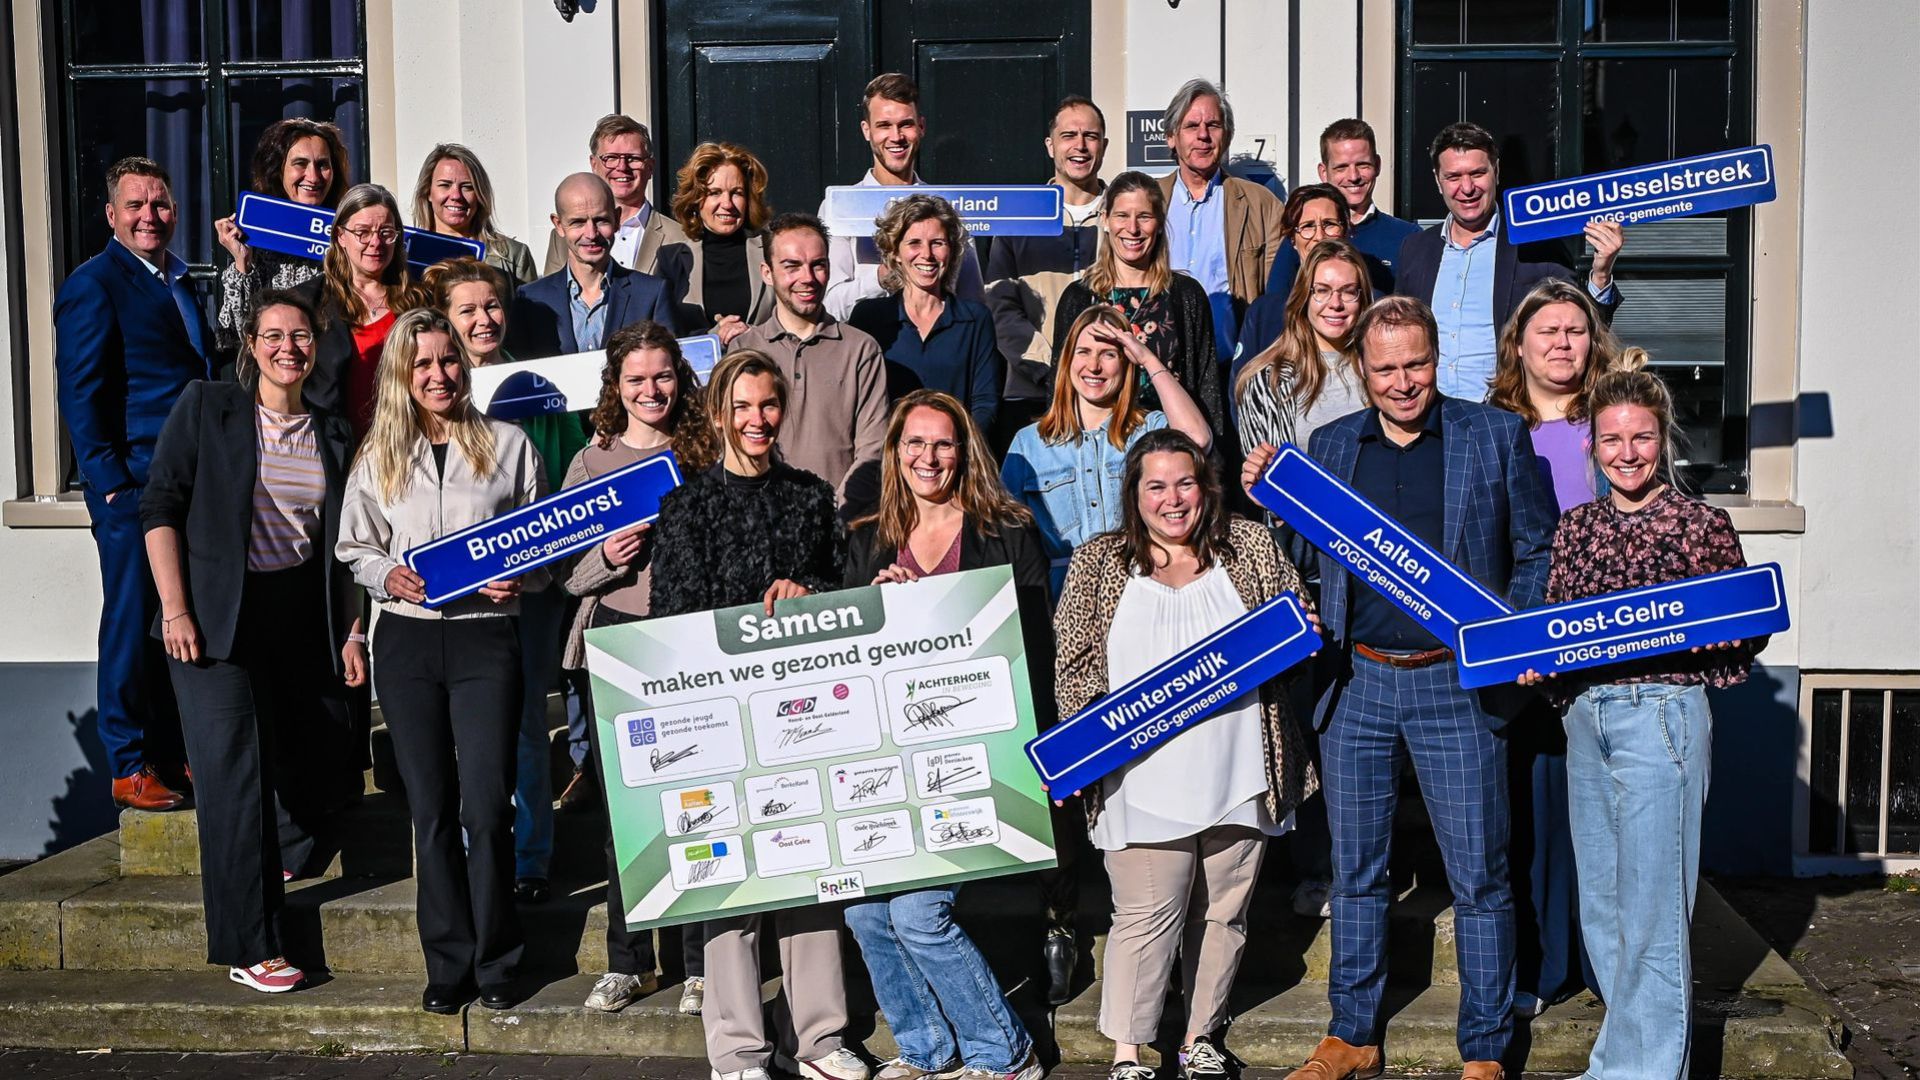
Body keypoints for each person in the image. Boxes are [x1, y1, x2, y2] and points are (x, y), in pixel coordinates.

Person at [1245, 296, 1556, 1080]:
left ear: (1436, 357)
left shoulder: (1494, 435)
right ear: (1364, 369)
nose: (1402, 381)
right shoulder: (1329, 443)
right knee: (1355, 872)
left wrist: (1512, 638)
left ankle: (1484, 1048)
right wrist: (1276, 508)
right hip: (1357, 684)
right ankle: (1352, 1035)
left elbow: (1538, 549)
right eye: (1385, 368)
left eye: (1415, 364)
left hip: (1458, 684)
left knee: (1480, 877)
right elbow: (1305, 559)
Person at [1521, 361, 1762, 1080]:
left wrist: (1721, 634)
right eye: (1612, 439)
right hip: (1586, 720)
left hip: (1662, 716)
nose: (1627, 453)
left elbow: (1745, 625)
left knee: (1654, 911)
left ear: (1664, 440)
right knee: (1602, 908)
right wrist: (1538, 666)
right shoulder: (1575, 529)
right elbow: (1556, 630)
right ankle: (1618, 1062)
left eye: (1642, 438)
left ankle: (1647, 1071)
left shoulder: (1701, 525)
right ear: (1592, 446)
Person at [1053, 429, 1315, 1080]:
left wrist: (1302, 631)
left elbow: (1295, 627)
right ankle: (1129, 1051)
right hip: (1138, 779)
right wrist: (1084, 746)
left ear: (1206, 487)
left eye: (1185, 483)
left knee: (1224, 913)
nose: (1173, 500)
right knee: (1147, 914)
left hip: (1240, 766)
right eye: (1157, 486)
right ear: (1133, 494)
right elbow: (1074, 668)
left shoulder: (1249, 546)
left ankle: (1200, 1038)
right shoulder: (1098, 561)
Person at [140, 289, 367, 994]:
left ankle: (284, 854)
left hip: (299, 617)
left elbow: (343, 546)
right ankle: (251, 944)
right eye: (273, 335)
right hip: (213, 623)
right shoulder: (208, 407)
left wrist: (352, 628)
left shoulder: (333, 432)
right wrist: (175, 610)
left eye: (300, 336)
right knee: (235, 777)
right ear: (250, 344)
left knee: (327, 750)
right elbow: (161, 506)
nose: (288, 348)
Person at [645, 349, 860, 1080]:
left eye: (768, 405)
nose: (756, 419)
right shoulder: (687, 506)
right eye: (741, 406)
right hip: (716, 719)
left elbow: (838, 591)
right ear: (717, 414)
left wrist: (810, 593)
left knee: (812, 872)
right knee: (729, 884)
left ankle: (820, 1040)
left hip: (802, 715)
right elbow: (671, 621)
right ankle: (736, 1050)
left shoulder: (810, 496)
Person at [336, 308, 546, 1015]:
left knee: (485, 807)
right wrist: (385, 575)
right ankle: (449, 962)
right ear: (402, 373)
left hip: (487, 638)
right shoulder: (378, 454)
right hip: (408, 642)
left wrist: (523, 576)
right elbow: (354, 546)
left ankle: (498, 958)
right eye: (422, 363)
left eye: (448, 359)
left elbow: (547, 544)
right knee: (429, 811)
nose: (438, 374)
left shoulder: (510, 445)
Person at [841, 389, 1049, 1080]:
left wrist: (931, 612)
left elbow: (1030, 648)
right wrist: (874, 609)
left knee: (919, 915)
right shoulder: (865, 539)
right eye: (915, 443)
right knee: (866, 914)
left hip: (976, 764)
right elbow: (844, 662)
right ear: (895, 452)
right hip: (888, 764)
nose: (928, 457)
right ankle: (927, 1051)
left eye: (943, 443)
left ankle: (1004, 1052)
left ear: (965, 452)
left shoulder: (1007, 531)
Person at [1485, 278, 1647, 1015]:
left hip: (1607, 652)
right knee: (1535, 817)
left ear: (1594, 340)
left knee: (1609, 820)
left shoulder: (1614, 423)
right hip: (1525, 650)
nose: (1561, 342)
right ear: (1518, 346)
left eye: (1575, 330)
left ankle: (1609, 967)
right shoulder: (1490, 426)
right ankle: (1544, 968)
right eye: (1545, 331)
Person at [560, 321, 722, 1017]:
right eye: (636, 379)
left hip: (687, 645)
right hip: (613, 644)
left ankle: (701, 966)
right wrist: (607, 557)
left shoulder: (707, 452)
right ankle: (630, 963)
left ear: (679, 379)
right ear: (615, 386)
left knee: (695, 805)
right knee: (625, 817)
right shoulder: (590, 461)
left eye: (662, 376)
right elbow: (565, 574)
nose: (651, 390)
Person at [426, 257, 591, 907]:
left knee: (523, 721)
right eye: (466, 309)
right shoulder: (430, 392)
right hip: (458, 593)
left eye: (491, 306)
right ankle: (475, 853)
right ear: (447, 320)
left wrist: (534, 564)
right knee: (461, 727)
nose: (482, 319)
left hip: (533, 588)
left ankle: (530, 858)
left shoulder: (540, 384)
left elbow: (571, 476)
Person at [54, 155, 213, 811]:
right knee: (130, 619)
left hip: (187, 481)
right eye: (136, 205)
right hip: (134, 488)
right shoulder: (94, 284)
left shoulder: (179, 279)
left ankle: (173, 753)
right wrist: (111, 483)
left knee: (174, 618)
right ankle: (127, 763)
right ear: (111, 214)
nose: (150, 215)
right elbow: (80, 391)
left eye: (161, 203)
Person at [1395, 122, 1624, 402]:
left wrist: (1601, 273)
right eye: (1453, 177)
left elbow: (1582, 326)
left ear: (1496, 171)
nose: (1467, 188)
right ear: (1437, 180)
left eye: (1477, 173)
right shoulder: (1415, 249)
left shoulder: (1535, 244)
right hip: (1430, 412)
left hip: (1506, 411)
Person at [1002, 304, 1214, 596]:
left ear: (1126, 362)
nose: (1094, 366)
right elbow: (1005, 533)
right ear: (1067, 359)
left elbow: (1197, 439)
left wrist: (1148, 359)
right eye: (1084, 352)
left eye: (1108, 354)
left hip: (1139, 587)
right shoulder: (1029, 443)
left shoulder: (1148, 430)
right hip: (1063, 596)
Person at [1052, 171, 1224, 448]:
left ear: (1159, 223)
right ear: (1105, 220)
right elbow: (1060, 387)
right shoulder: (1079, 297)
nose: (1132, 228)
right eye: (1122, 216)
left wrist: (1210, 461)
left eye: (1144, 217)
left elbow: (1207, 389)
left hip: (1169, 449)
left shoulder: (1185, 295)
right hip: (1096, 449)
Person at [729, 213, 889, 507]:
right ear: (767, 273)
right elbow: (730, 444)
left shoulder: (861, 350)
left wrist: (836, 512)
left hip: (837, 520)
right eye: (792, 266)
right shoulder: (743, 349)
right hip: (761, 518)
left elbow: (872, 449)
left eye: (818, 265)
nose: (807, 278)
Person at [984, 94, 1110, 447]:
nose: (1080, 146)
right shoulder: (1020, 217)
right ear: (1050, 146)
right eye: (1068, 136)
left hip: (1108, 391)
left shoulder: (1123, 216)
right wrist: (1049, 367)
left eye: (1090, 136)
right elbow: (1000, 306)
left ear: (1104, 146)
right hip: (1031, 393)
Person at [822, 73, 984, 319]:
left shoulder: (950, 207)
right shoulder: (840, 206)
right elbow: (830, 306)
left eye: (905, 124)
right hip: (866, 340)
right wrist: (882, 277)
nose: (896, 137)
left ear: (921, 127)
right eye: (884, 125)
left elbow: (972, 301)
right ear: (866, 130)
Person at [847, 194, 1004, 431]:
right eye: (914, 243)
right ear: (895, 252)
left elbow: (985, 404)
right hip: (886, 452)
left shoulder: (975, 319)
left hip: (956, 450)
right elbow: (856, 402)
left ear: (951, 250)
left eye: (937, 243)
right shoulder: (868, 318)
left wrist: (955, 445)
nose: (927, 254)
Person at [1157, 79, 1286, 364]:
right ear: (1171, 137)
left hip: (1232, 364)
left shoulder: (1260, 204)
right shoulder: (1148, 200)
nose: (1203, 135)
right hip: (1159, 361)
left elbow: (1276, 297)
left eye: (1213, 125)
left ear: (1226, 137)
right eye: (1192, 126)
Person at [214, 118, 353, 352]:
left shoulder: (350, 232)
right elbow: (236, 339)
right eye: (300, 163)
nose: (313, 176)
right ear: (278, 170)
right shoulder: (257, 235)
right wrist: (242, 262)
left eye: (322, 164)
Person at [295, 183, 420, 440]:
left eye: (386, 232)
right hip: (334, 445)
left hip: (406, 443)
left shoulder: (418, 300)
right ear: (340, 236)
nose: (376, 242)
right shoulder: (309, 301)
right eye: (363, 232)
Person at [511, 172, 680, 361]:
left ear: (616, 219)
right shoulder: (530, 299)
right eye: (578, 222)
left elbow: (669, 365)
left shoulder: (651, 294)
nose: (591, 234)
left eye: (601, 220)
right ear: (558, 225)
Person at [1231, 240, 1374, 452]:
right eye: (1322, 291)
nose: (1335, 304)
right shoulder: (1268, 381)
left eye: (1348, 291)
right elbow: (1269, 470)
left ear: (1362, 298)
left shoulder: (1383, 370)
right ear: (1304, 297)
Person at [1258, 119, 1421, 303]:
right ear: (1323, 172)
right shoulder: (1303, 235)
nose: (1353, 176)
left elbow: (1415, 309)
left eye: (1363, 165)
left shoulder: (1407, 237)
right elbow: (1275, 304)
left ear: (1377, 165)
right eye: (1341, 167)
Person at [1237, 182, 1379, 363]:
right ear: (1292, 238)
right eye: (1308, 226)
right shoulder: (1264, 313)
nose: (1319, 236)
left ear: (1345, 231)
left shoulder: (1373, 306)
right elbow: (1243, 377)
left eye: (1329, 224)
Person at [542, 114, 688, 278]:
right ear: (594, 164)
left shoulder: (680, 238)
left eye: (633, 158)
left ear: (650, 167)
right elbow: (551, 291)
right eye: (611, 158)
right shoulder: (564, 237)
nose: (622, 167)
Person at [659, 141, 775, 344]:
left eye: (737, 193)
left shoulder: (771, 249)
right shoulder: (672, 259)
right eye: (714, 192)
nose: (727, 204)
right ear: (695, 199)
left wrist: (751, 334)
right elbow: (661, 337)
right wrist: (712, 337)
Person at [412, 143, 538, 287]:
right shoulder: (405, 253)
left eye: (467, 187)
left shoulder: (514, 255)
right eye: (445, 185)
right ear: (428, 192)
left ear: (480, 194)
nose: (456, 196)